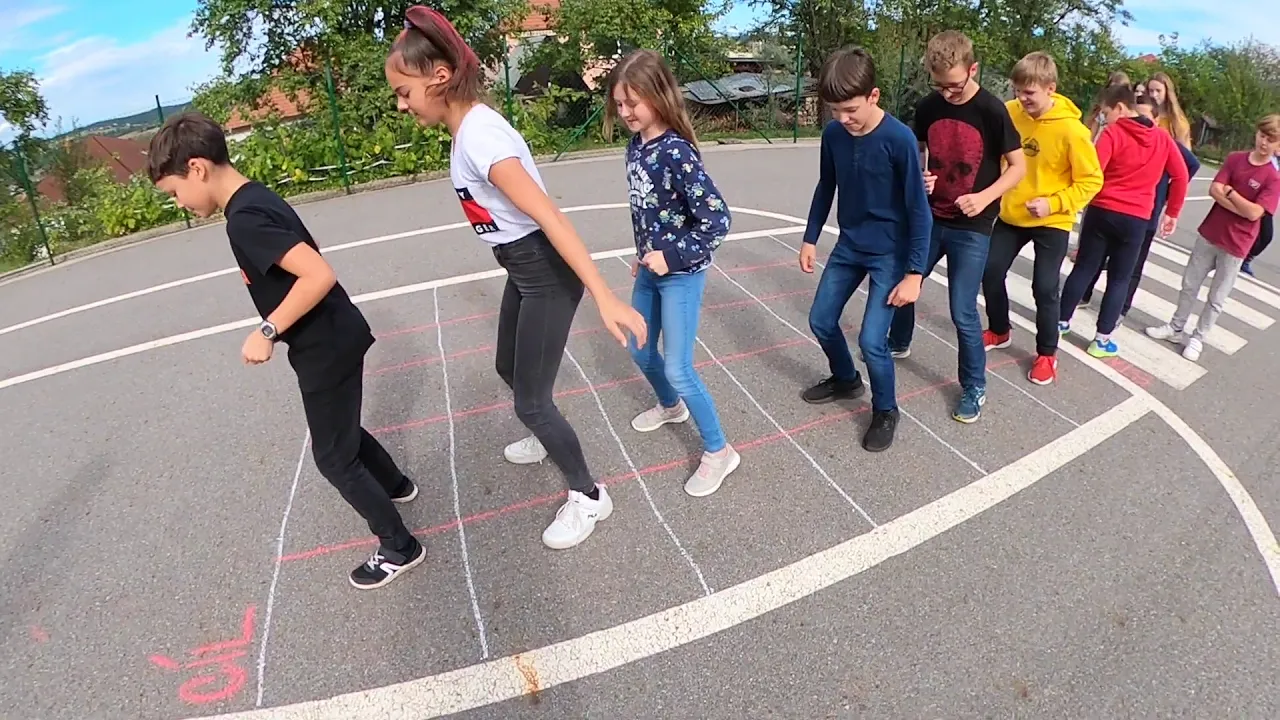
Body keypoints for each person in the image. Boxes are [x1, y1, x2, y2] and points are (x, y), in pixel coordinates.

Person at [385, 6, 647, 549]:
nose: (401, 104)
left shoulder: (481, 139)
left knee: (531, 402)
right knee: (508, 366)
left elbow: (551, 216)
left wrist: (604, 296)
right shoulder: (468, 129)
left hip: (544, 270)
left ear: (439, 77)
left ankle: (589, 495)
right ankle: (547, 436)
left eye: (404, 92)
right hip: (523, 267)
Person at [147, 113, 424, 590]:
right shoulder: (254, 197)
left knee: (333, 458)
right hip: (337, 333)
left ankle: (400, 546)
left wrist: (268, 330)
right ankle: (397, 486)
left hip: (324, 345)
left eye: (174, 192)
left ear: (197, 168)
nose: (179, 204)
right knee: (341, 432)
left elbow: (318, 274)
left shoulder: (244, 220)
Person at [604, 49, 740, 497]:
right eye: (619, 104)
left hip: (681, 274)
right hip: (650, 268)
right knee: (640, 350)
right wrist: (643, 252)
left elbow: (718, 219)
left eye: (632, 103)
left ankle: (719, 451)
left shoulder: (677, 152)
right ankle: (670, 406)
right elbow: (645, 210)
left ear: (658, 96)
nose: (625, 113)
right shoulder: (635, 147)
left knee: (679, 368)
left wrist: (672, 257)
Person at [885, 30, 1025, 423]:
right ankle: (899, 341)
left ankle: (974, 385)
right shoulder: (929, 106)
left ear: (972, 69)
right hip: (932, 216)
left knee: (963, 309)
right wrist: (921, 177)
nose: (947, 93)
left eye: (955, 86)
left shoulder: (993, 110)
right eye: (939, 86)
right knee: (905, 279)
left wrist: (984, 197)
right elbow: (920, 151)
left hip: (973, 224)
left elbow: (1018, 167)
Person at [798, 45, 931, 452]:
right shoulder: (834, 134)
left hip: (890, 254)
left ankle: (886, 409)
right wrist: (810, 237)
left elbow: (919, 210)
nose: (843, 119)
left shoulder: (899, 139)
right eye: (835, 110)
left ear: (874, 96)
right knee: (821, 320)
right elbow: (827, 185)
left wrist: (914, 274)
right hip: (850, 245)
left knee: (873, 341)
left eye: (851, 109)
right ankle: (846, 379)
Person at [981, 51, 1103, 385]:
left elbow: (1092, 180)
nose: (1022, 98)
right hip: (1013, 212)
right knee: (990, 270)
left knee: (1045, 287)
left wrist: (1054, 203)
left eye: (1029, 92)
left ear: (1050, 88)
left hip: (1052, 218)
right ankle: (999, 330)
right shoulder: (1009, 112)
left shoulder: (1072, 131)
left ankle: (1047, 353)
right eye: (1017, 90)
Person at [1057, 84, 1189, 358]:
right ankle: (1101, 340)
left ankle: (1060, 322)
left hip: (1103, 210)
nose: (1106, 117)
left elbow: (1095, 170)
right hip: (1137, 217)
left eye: (1107, 112)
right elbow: (1181, 175)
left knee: (1084, 268)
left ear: (1121, 108)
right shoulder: (1163, 139)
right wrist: (1172, 212)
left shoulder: (1113, 133)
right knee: (1120, 279)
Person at [1146, 115, 1280, 361]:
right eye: (1262, 135)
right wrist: (1238, 204)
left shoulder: (1273, 177)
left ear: (1277, 145)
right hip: (1210, 232)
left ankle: (1198, 337)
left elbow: (1255, 213)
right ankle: (1176, 327)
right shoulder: (1235, 159)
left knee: (1217, 297)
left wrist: (1230, 193)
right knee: (1189, 284)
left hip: (1237, 243)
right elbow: (1214, 189)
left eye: (1271, 139)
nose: (1264, 142)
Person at [1078, 96, 1200, 315]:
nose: (1139, 120)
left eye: (1145, 116)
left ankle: (1116, 312)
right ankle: (1089, 306)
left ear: (1157, 119)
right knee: (1101, 265)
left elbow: (1188, 168)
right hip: (1125, 209)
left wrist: (1169, 202)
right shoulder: (1128, 134)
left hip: (1139, 210)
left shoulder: (1158, 139)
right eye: (1137, 114)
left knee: (1121, 271)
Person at [1242, 151, 1279, 276]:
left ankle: (1246, 258)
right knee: (1263, 234)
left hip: (1267, 203)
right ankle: (1242, 257)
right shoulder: (1267, 158)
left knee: (1265, 236)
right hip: (1255, 198)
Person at [1146, 72, 1194, 149]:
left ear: (1167, 92)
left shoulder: (1178, 121)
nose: (1154, 95)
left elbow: (1185, 152)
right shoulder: (1144, 115)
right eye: (1151, 91)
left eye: (1158, 91)